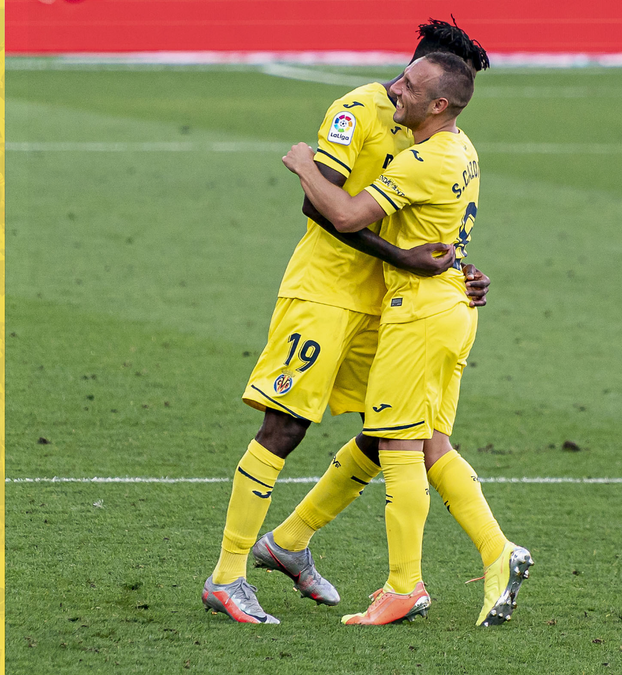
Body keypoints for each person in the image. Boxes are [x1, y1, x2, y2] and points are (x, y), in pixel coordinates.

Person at [202, 20, 494, 624]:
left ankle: (290, 541)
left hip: (389, 303)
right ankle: (227, 577)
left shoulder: (438, 136)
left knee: (390, 435)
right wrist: (404, 259)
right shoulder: (358, 109)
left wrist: (456, 270)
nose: (404, 89)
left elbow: (432, 220)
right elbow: (319, 203)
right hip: (325, 294)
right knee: (285, 427)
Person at [281, 51, 531, 626]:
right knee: (434, 446)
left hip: (417, 313)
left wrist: (304, 166)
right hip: (452, 307)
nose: (396, 89)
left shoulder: (423, 160)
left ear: (439, 104)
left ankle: (403, 586)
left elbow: (346, 216)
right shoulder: (462, 148)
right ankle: (498, 553)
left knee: (398, 448)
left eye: (410, 86)